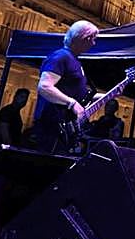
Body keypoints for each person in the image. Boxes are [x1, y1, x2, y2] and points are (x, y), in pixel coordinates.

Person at [34, 20, 99, 154]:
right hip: (53, 126)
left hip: (66, 128)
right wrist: (71, 103)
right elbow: (44, 86)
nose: (94, 43)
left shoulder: (74, 61)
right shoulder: (61, 57)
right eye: (93, 39)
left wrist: (110, 95)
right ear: (84, 38)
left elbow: (81, 95)